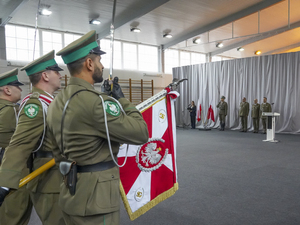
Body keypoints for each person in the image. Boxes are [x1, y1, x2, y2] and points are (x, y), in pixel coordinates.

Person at [46, 30, 149, 224]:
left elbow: (57, 151)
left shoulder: (56, 102)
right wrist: (121, 100)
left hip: (70, 190)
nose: (102, 65)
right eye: (99, 61)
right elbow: (141, 133)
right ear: (89, 63)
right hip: (96, 199)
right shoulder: (96, 103)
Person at [0, 51, 66, 225]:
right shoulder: (35, 105)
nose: (60, 75)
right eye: (55, 71)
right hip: (48, 178)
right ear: (45, 75)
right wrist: (5, 184)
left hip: (60, 175)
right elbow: (19, 145)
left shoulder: (49, 101)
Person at [0, 68, 33, 225]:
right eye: (17, 86)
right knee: (16, 217)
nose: (21, 89)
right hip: (14, 174)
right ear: (7, 89)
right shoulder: (12, 111)